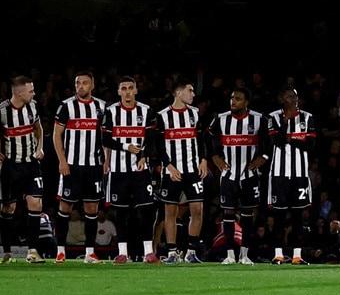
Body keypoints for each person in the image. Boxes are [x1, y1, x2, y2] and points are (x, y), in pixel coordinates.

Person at [100, 75, 158, 266]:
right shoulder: (110, 112)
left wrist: (143, 156)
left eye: (130, 88)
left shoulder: (146, 110)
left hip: (140, 171)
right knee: (121, 213)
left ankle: (148, 252)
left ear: (136, 90)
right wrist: (126, 147)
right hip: (118, 170)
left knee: (146, 211)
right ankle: (122, 253)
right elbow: (105, 140)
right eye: (123, 88)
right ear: (118, 92)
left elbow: (151, 139)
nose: (127, 91)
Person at [53, 72, 109, 263]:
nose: (81, 86)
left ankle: (90, 253)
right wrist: (62, 161)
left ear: (92, 85)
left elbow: (106, 138)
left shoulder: (102, 107)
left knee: (92, 207)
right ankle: (60, 250)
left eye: (85, 83)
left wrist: (106, 160)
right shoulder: (66, 106)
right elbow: (56, 135)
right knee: (65, 206)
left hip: (93, 165)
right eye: (78, 83)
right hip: (72, 165)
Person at [208, 86, 267, 265]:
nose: (233, 101)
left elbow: (269, 143)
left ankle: (245, 255)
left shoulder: (259, 119)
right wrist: (215, 157)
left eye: (238, 98)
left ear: (246, 102)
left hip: (249, 175)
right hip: (229, 175)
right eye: (232, 98)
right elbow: (208, 138)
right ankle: (229, 255)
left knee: (248, 215)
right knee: (227, 214)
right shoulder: (220, 119)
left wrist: (262, 158)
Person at [0, 75, 46, 263]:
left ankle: (32, 251)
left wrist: (40, 147)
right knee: (8, 208)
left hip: (31, 164)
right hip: (9, 166)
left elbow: (38, 128)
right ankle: (7, 252)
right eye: (31, 90)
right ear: (19, 92)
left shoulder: (33, 106)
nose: (34, 93)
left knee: (36, 204)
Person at [154, 82, 207, 264]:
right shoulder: (162, 116)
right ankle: (172, 252)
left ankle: (191, 251)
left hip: (193, 169)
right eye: (189, 90)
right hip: (172, 172)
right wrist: (168, 165)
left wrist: (204, 160)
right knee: (170, 212)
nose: (193, 94)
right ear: (178, 92)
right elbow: (159, 145)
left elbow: (201, 139)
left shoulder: (194, 113)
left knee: (197, 209)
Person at [267, 87, 316, 265]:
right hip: (279, 174)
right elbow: (277, 142)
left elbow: (310, 145)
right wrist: (286, 123)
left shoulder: (307, 117)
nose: (294, 99)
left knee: (298, 216)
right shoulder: (273, 117)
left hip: (300, 174)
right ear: (282, 98)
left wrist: (291, 140)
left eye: (295, 96)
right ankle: (278, 254)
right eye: (289, 96)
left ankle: (297, 255)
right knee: (279, 217)